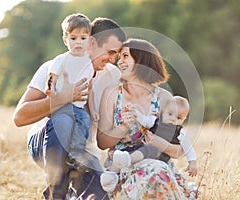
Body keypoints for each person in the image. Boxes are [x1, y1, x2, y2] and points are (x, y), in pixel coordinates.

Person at [13, 17, 126, 200]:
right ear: (91, 43)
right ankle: (56, 194)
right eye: (110, 52)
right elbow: (19, 117)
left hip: (83, 153)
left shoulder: (113, 76)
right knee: (63, 119)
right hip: (46, 143)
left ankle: (72, 190)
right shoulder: (54, 66)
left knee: (101, 196)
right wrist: (62, 98)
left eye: (117, 54)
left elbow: (107, 136)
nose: (112, 60)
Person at [97, 38, 188, 199]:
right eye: (120, 57)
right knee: (155, 172)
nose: (120, 62)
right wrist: (123, 126)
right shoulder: (111, 95)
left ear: (141, 60)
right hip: (122, 169)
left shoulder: (164, 98)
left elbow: (179, 150)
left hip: (158, 164)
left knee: (157, 170)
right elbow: (102, 143)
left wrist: (159, 143)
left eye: (125, 56)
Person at [100, 96, 197, 192]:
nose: (173, 119)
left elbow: (188, 148)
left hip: (159, 156)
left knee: (146, 151)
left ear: (184, 119)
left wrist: (192, 163)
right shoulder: (155, 121)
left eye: (179, 118)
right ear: (163, 112)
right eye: (170, 114)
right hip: (142, 148)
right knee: (124, 153)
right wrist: (134, 112)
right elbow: (143, 119)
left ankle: (127, 160)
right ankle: (111, 176)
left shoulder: (180, 132)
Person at [44, 13, 96, 169]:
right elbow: (52, 75)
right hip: (62, 104)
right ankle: (68, 156)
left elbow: (90, 86)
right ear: (65, 40)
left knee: (84, 122)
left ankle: (76, 154)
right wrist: (50, 88)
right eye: (73, 38)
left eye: (82, 38)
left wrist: (92, 110)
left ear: (89, 40)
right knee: (66, 124)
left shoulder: (88, 62)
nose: (78, 42)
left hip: (79, 107)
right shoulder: (62, 59)